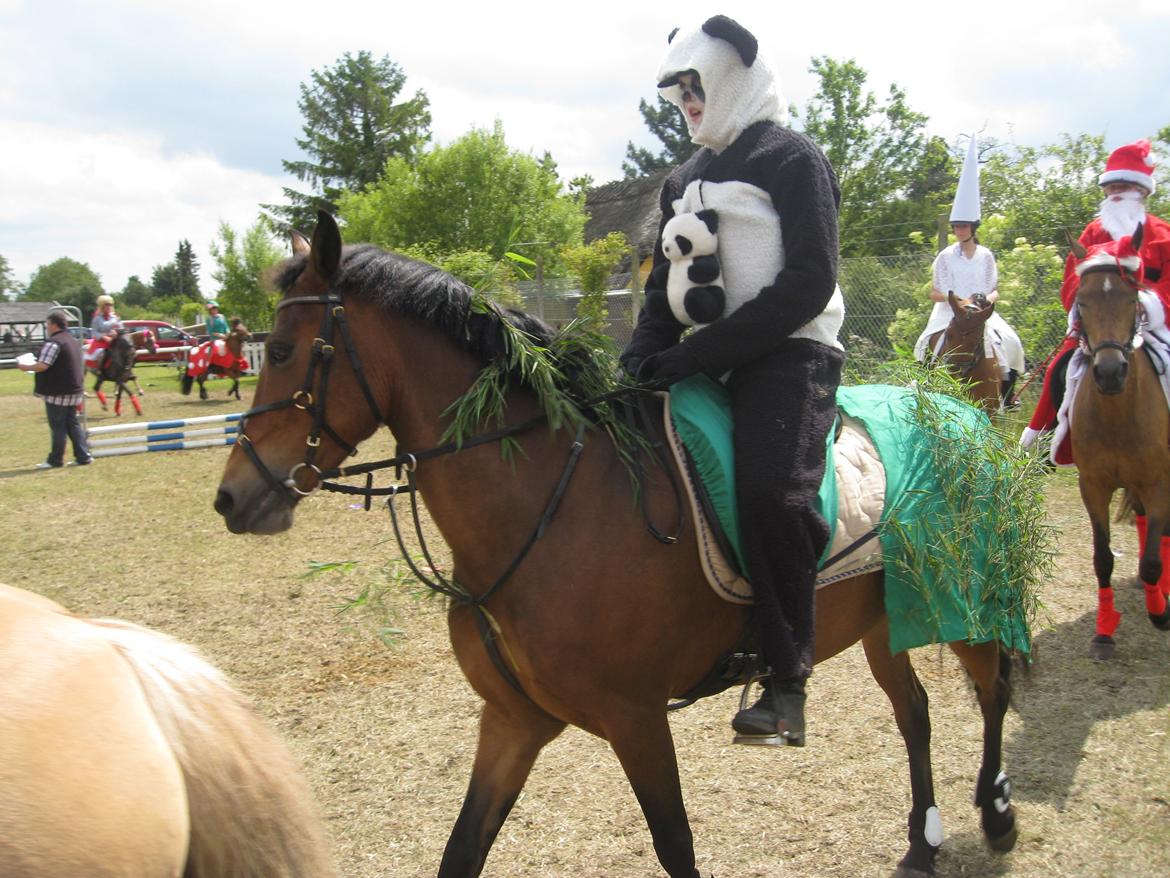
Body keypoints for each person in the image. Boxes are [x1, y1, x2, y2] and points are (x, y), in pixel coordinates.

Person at [620, 15, 845, 746]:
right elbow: (662, 290)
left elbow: (811, 282)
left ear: (734, 79)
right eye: (678, 91)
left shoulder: (792, 158)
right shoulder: (681, 180)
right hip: (711, 354)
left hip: (792, 355)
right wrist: (639, 364)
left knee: (770, 494)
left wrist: (705, 350)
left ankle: (786, 685)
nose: (686, 102)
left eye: (697, 86)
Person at [1021, 139, 1170, 449]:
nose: (1116, 193)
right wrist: (1083, 308)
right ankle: (1042, 443)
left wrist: (1147, 305)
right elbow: (1070, 285)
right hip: (1097, 325)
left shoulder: (1162, 235)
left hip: (1154, 325)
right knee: (1058, 369)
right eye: (1110, 187)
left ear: (1142, 191)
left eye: (1124, 186)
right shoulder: (1091, 234)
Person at [913, 137, 1025, 405]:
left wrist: (988, 301)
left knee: (1011, 341)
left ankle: (1007, 395)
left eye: (963, 226)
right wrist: (959, 303)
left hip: (979, 313)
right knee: (924, 345)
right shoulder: (945, 256)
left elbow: (993, 289)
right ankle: (923, 389)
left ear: (973, 227)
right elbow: (936, 293)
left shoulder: (986, 256)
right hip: (948, 312)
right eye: (955, 227)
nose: (959, 231)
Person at [18, 309, 92, 468]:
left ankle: (55, 459)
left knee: (57, 425)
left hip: (58, 392)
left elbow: (43, 365)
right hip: (74, 390)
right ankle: (83, 456)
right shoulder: (72, 341)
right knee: (72, 423)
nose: (47, 327)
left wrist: (26, 367)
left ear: (53, 324)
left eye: (47, 324)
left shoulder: (53, 342)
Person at [86, 294, 123, 371]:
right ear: (102, 306)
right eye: (107, 305)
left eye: (110, 304)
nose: (109, 306)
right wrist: (103, 336)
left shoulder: (115, 317)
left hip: (114, 341)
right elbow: (94, 332)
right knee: (102, 354)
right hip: (101, 343)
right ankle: (101, 370)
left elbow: (121, 327)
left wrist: (116, 332)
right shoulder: (97, 318)